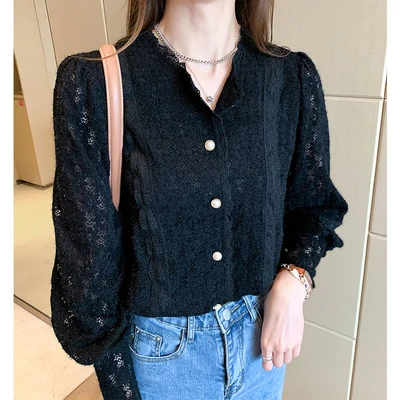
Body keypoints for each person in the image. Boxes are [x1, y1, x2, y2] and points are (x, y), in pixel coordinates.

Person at [50, 0, 349, 399]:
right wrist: (119, 382)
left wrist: (294, 283)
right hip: (159, 363)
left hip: (262, 351)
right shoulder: (93, 83)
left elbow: (313, 206)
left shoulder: (289, 78)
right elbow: (87, 264)